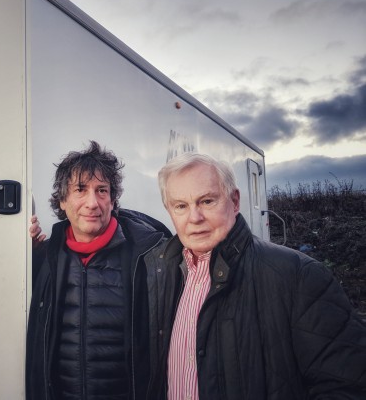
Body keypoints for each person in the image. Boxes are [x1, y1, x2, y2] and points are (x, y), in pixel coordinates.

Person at [142, 152, 366, 399]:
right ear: (169, 210)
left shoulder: (298, 275)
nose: (195, 218)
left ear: (235, 201)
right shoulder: (158, 274)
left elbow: (347, 386)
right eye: (181, 206)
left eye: (207, 201)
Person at [26, 141, 171, 400]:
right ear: (62, 200)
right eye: (80, 190)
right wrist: (25, 252)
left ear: (113, 200)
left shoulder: (150, 257)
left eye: (102, 190)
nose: (92, 203)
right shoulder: (45, 258)